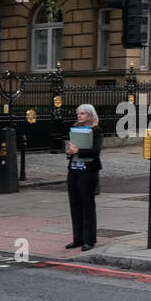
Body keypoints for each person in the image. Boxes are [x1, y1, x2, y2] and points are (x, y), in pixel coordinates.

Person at [65, 103, 103, 252]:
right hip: (74, 171)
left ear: (90, 115)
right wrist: (69, 152)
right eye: (78, 113)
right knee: (74, 205)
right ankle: (78, 239)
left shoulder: (96, 131)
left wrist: (78, 151)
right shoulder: (75, 130)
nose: (79, 116)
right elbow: (70, 150)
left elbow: (95, 152)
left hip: (88, 172)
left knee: (87, 206)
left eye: (83, 113)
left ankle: (89, 240)